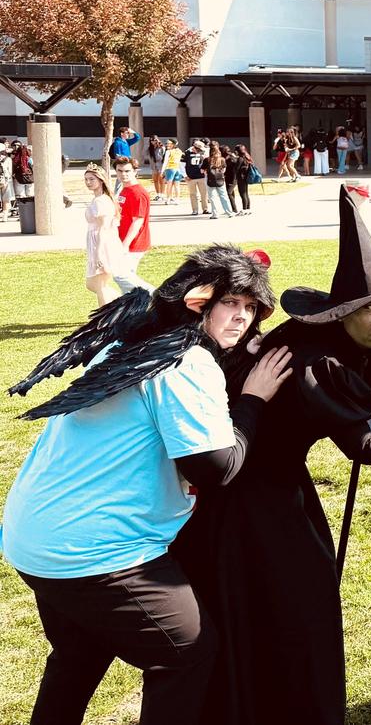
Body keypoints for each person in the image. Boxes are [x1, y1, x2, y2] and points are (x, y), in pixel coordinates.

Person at [171, 187, 371, 725]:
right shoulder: (313, 365)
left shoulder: (330, 340)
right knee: (294, 612)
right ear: (342, 314)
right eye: (368, 310)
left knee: (289, 610)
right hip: (250, 507)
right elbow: (362, 447)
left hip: (274, 492)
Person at [4, 246, 287, 725]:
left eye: (251, 307)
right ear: (197, 301)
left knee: (80, 651)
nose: (241, 317)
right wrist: (254, 400)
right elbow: (216, 468)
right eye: (230, 303)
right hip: (92, 551)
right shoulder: (184, 361)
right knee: (189, 652)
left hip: (31, 534)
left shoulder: (132, 333)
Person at [81, 164, 127, 306]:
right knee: (92, 284)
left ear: (101, 180)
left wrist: (100, 252)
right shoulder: (100, 199)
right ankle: (124, 305)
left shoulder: (102, 201)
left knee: (100, 285)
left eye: (92, 179)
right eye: (86, 179)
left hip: (102, 243)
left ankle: (106, 319)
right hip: (97, 242)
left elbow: (104, 228)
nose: (88, 182)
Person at [112, 157, 155, 294]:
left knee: (120, 275)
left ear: (135, 171)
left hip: (134, 243)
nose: (123, 174)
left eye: (127, 171)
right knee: (127, 279)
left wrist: (125, 244)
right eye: (120, 171)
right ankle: (130, 310)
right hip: (123, 241)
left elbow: (138, 221)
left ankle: (154, 294)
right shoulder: (125, 189)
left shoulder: (138, 193)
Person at [204, 144, 235, 219]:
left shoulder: (207, 160)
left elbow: (202, 170)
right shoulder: (222, 159)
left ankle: (215, 214)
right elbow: (224, 170)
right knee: (224, 196)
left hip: (210, 179)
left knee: (212, 197)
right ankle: (229, 212)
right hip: (220, 179)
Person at [184, 140, 209, 215]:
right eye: (199, 149)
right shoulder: (187, 153)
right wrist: (185, 175)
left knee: (204, 193)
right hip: (191, 177)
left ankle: (205, 209)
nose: (200, 151)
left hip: (201, 176)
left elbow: (206, 162)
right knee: (193, 194)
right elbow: (181, 165)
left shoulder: (203, 152)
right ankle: (195, 210)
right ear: (194, 148)